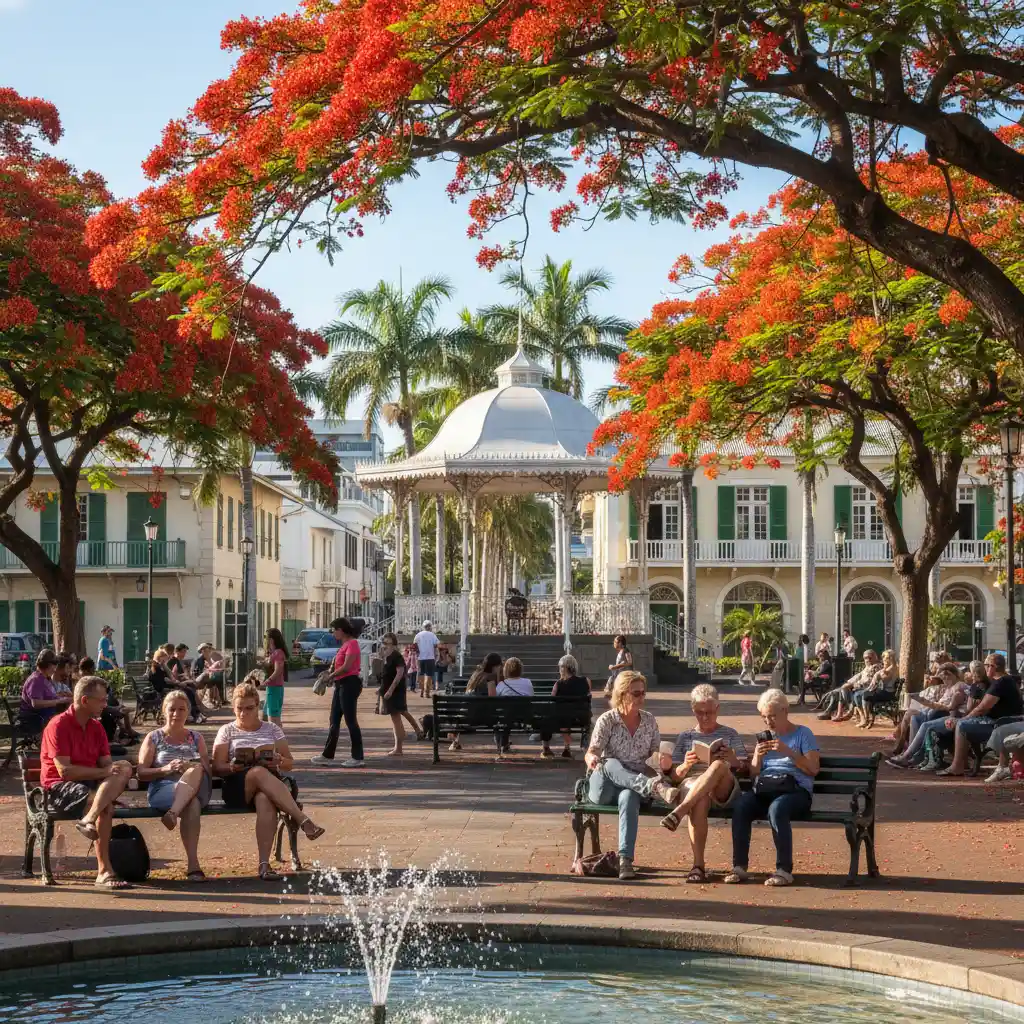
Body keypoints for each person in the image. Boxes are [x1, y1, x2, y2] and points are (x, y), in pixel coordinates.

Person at [213, 682, 325, 880]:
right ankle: (303, 820)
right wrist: (231, 766)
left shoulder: (271, 729)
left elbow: (289, 763)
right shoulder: (227, 730)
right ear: (233, 708)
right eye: (239, 708)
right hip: (237, 787)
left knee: (264, 799)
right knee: (257, 772)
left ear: (258, 706)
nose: (244, 713)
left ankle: (264, 865)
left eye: (249, 708)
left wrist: (279, 760)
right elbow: (216, 767)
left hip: (270, 786)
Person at [39, 676, 134, 888]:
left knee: (124, 766)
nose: (105, 705)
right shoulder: (59, 725)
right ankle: (104, 870)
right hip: (58, 787)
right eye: (101, 700)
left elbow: (108, 766)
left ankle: (88, 819)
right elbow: (65, 772)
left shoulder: (96, 727)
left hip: (90, 783)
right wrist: (105, 772)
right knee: (105, 806)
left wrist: (113, 772)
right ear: (85, 700)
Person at [584, 670, 678, 880]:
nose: (641, 697)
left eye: (643, 693)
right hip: (604, 787)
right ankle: (654, 787)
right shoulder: (607, 720)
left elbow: (653, 757)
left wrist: (662, 761)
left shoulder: (649, 721)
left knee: (629, 795)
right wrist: (592, 759)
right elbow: (592, 752)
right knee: (610, 763)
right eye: (636, 693)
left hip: (632, 785)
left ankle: (625, 861)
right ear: (622, 694)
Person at [726, 688, 819, 887]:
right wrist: (757, 757)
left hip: (796, 791)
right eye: (764, 717)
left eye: (772, 716)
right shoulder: (766, 737)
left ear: (785, 710)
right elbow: (754, 774)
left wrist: (789, 752)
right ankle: (739, 866)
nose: (768, 721)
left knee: (777, 809)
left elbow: (813, 769)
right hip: (767, 788)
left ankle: (784, 870)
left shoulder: (803, 734)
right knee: (742, 805)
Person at [659, 683, 748, 883]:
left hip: (723, 789)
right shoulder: (686, 737)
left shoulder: (730, 734)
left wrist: (734, 760)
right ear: (693, 710)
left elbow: (746, 769)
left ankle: (679, 812)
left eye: (709, 712)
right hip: (695, 789)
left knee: (718, 765)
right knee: (698, 798)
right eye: (700, 713)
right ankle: (698, 866)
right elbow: (675, 777)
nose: (705, 717)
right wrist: (684, 765)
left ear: (718, 709)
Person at [136, 691, 212, 881]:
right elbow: (141, 772)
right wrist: (166, 769)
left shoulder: (196, 737)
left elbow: (207, 770)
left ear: (188, 712)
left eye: (181, 709)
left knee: (195, 770)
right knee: (191, 804)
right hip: (164, 789)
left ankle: (173, 813)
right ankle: (193, 865)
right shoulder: (154, 737)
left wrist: (189, 766)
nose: (176, 714)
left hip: (196, 787)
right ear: (164, 711)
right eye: (172, 709)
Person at [936, 653, 1024, 777]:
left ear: (993, 666)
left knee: (962, 725)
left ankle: (957, 766)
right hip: (1004, 722)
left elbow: (982, 708)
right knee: (961, 723)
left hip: (999, 725)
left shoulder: (1001, 683)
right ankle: (962, 763)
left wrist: (962, 719)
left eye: (986, 665)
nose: (984, 668)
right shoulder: (1006, 681)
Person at [886, 664, 968, 768]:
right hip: (941, 714)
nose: (945, 680)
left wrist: (926, 703)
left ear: (954, 674)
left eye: (947, 676)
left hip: (953, 717)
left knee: (925, 723)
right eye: (943, 678)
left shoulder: (959, 686)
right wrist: (924, 702)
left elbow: (950, 708)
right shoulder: (948, 688)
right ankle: (913, 755)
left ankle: (907, 757)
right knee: (915, 717)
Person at [310, 617, 365, 767]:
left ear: (341, 630)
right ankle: (327, 755)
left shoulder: (352, 644)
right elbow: (337, 665)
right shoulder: (344, 645)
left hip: (349, 684)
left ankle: (358, 757)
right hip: (340, 684)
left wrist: (331, 676)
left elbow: (347, 667)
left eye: (334, 630)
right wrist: (330, 674)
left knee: (350, 720)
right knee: (334, 720)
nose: (333, 633)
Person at [377, 631, 424, 755]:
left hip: (395, 691)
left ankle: (398, 748)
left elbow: (399, 674)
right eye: (383, 643)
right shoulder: (387, 656)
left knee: (396, 718)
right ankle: (405, 738)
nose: (385, 645)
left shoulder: (396, 656)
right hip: (388, 690)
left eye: (387, 643)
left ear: (393, 644)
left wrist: (390, 690)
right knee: (397, 716)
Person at [543, 653, 592, 759]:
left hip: (563, 718)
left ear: (563, 668)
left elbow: (552, 700)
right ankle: (572, 747)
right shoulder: (586, 681)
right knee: (569, 713)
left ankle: (547, 749)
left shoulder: (558, 684)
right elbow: (588, 697)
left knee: (558, 714)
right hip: (581, 717)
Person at [18, 649, 68, 734]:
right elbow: (36, 703)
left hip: (43, 716)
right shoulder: (36, 680)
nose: (55, 669)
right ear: (47, 665)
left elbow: (47, 697)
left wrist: (60, 696)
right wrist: (58, 701)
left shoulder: (43, 678)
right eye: (54, 666)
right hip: (34, 719)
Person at [495, 656, 533, 758]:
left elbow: (495, 700)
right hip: (525, 716)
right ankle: (546, 748)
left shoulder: (502, 684)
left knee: (502, 718)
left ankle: (502, 745)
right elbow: (531, 696)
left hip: (506, 717)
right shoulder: (527, 682)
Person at [851, 648, 898, 728]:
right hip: (884, 691)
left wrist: (878, 674)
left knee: (866, 695)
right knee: (862, 693)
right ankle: (864, 718)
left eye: (886, 657)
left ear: (890, 658)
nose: (884, 659)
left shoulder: (892, 667)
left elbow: (884, 677)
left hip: (888, 692)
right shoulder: (889, 667)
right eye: (883, 657)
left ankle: (866, 719)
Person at [262, 628, 288, 726]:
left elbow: (278, 671)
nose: (264, 640)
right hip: (273, 688)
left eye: (266, 637)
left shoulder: (278, 653)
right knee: (266, 717)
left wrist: (267, 681)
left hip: (274, 688)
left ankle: (277, 735)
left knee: (273, 719)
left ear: (271, 639)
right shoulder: (274, 653)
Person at [413, 620, 439, 699]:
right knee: (428, 675)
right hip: (430, 657)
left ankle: (421, 691)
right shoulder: (432, 635)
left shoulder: (418, 635)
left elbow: (414, 645)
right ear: (429, 627)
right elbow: (436, 645)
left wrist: (418, 653)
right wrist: (436, 655)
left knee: (421, 674)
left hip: (421, 658)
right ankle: (426, 693)